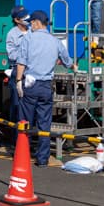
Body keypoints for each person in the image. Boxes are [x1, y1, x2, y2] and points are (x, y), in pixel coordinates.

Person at [16, 10, 77, 167]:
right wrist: (73, 66)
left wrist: (18, 81)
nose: (30, 26)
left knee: (25, 121)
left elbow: (21, 61)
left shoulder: (28, 38)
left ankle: (23, 154)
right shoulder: (55, 41)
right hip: (46, 87)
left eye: (32, 23)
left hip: (30, 84)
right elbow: (66, 60)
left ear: (37, 23)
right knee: (45, 124)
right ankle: (42, 159)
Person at [5, 6, 29, 127]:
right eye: (23, 17)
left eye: (26, 15)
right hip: (18, 71)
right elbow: (12, 54)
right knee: (17, 105)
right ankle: (16, 138)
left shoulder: (33, 30)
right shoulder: (12, 34)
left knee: (29, 107)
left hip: (32, 71)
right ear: (16, 20)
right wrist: (26, 53)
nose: (26, 18)